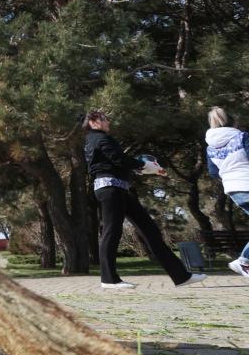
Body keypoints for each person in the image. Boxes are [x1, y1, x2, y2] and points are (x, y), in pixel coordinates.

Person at [83, 111, 205, 290]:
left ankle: (181, 276)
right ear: (93, 122)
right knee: (111, 233)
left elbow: (116, 162)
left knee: (150, 230)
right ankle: (109, 279)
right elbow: (119, 159)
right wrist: (143, 165)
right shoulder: (100, 139)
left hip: (119, 189)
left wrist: (143, 168)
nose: (108, 121)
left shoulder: (94, 140)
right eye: (104, 119)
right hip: (110, 190)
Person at [204, 106, 249, 277]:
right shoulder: (242, 137)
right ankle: (243, 260)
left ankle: (244, 261)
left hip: (233, 188)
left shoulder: (210, 147)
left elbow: (213, 172)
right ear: (234, 123)